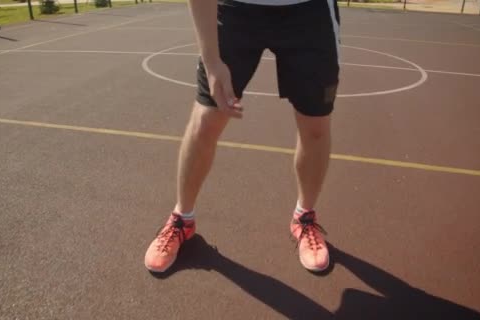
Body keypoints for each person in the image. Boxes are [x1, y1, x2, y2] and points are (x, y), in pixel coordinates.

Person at [144, 0, 341, 273]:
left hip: (309, 12)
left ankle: (304, 217)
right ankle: (182, 219)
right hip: (236, 9)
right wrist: (212, 62)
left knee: (316, 126)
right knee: (205, 120)